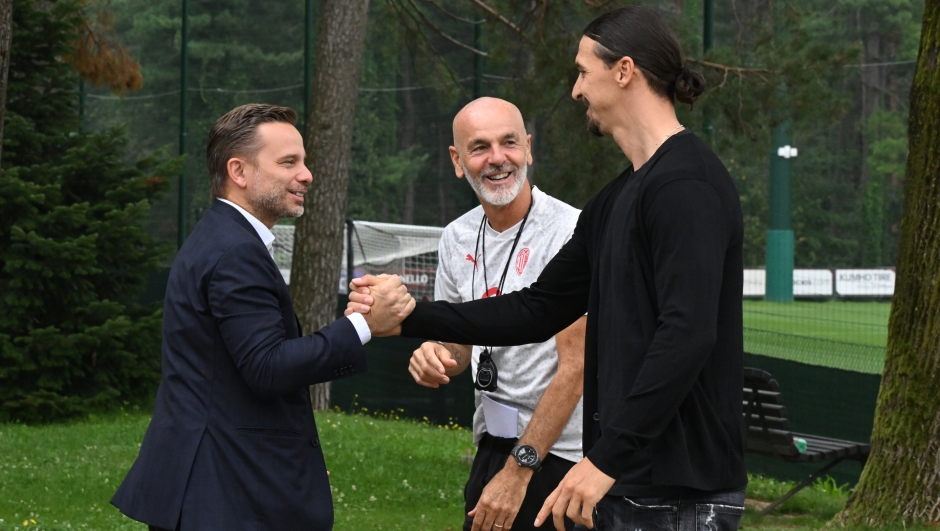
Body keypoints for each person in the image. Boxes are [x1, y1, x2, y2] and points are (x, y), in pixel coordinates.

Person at [348, 7, 747, 531]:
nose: (577, 90)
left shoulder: (685, 185)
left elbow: (688, 334)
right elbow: (537, 309)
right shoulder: (618, 198)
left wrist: (605, 457)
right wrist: (410, 318)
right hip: (630, 485)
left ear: (623, 71)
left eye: (583, 71)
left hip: (679, 496)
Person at [111, 103, 414, 531]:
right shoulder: (235, 252)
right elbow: (267, 367)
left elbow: (236, 376)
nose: (306, 174)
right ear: (239, 171)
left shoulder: (223, 239)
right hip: (220, 496)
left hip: (220, 484)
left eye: (304, 161)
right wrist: (365, 324)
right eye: (288, 162)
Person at [408, 97, 587, 531]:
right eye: (479, 147)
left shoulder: (572, 231)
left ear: (528, 147)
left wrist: (518, 471)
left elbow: (577, 368)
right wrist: (433, 351)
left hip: (560, 458)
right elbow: (460, 346)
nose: (497, 159)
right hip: (492, 443)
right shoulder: (456, 237)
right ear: (457, 160)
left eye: (509, 143)